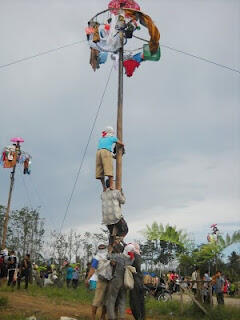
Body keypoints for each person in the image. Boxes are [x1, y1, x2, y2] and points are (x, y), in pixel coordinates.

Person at [106, 243, 134, 320]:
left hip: (117, 279)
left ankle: (111, 317)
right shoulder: (132, 258)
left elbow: (108, 257)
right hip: (125, 281)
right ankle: (122, 317)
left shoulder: (119, 256)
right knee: (122, 299)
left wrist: (110, 250)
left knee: (111, 299)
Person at [85, 244, 112, 320]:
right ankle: (98, 317)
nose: (101, 249)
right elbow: (92, 269)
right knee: (101, 300)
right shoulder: (109, 256)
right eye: (101, 248)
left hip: (104, 280)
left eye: (102, 248)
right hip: (106, 280)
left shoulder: (97, 257)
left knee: (100, 299)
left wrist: (87, 279)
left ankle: (98, 317)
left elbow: (92, 269)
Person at [96, 126, 124, 191]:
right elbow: (121, 144)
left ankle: (104, 187)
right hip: (106, 152)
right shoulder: (112, 138)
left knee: (100, 172)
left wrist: (114, 156)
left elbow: (104, 151)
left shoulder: (101, 139)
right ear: (111, 133)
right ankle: (111, 186)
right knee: (109, 169)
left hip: (98, 153)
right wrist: (122, 146)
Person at [101, 179, 128, 246]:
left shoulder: (102, 194)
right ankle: (117, 242)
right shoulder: (116, 192)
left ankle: (112, 245)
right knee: (125, 230)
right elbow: (123, 201)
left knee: (113, 234)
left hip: (106, 220)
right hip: (116, 217)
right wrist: (121, 192)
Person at [129, 243, 145, 320]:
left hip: (135, 281)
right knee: (140, 301)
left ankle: (138, 317)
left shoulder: (134, 257)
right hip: (140, 281)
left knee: (134, 302)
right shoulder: (138, 257)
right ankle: (141, 316)